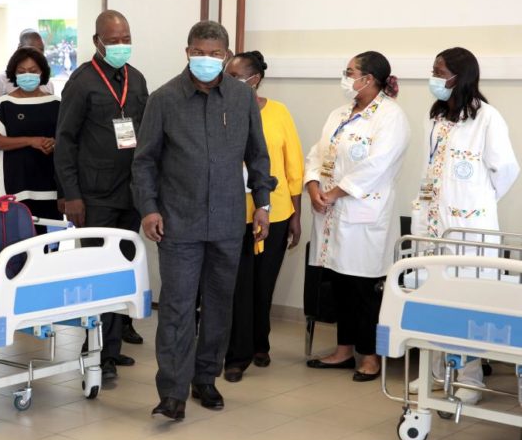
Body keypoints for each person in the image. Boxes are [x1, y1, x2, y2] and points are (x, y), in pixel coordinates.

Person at [132, 21, 276, 420]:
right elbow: (144, 162)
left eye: (215, 54)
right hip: (178, 222)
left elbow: (258, 155)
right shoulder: (163, 99)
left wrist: (262, 204)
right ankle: (172, 392)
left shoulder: (242, 98)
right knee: (177, 308)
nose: (206, 60)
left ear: (226, 55)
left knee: (218, 305)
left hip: (228, 221)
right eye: (199, 52)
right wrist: (149, 208)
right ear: (187, 52)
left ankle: (205, 378)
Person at [408, 47, 520, 405]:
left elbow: (506, 171)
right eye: (433, 70)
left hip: (470, 228)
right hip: (433, 223)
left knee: (468, 303)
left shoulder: (487, 118)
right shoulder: (435, 117)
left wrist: (476, 202)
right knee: (433, 297)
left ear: (460, 76)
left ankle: (469, 377)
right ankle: (436, 372)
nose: (434, 78)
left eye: (440, 72)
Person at [54, 10, 148, 380]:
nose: (122, 45)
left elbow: (144, 133)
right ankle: (95, 353)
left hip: (130, 192)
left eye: (126, 39)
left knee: (122, 270)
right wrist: (71, 195)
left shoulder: (136, 79)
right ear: (97, 42)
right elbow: (65, 141)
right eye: (114, 40)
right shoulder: (82, 82)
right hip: (93, 196)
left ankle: (111, 347)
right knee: (97, 273)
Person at [304, 51, 409, 382]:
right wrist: (312, 186)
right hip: (331, 213)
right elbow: (317, 153)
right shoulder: (339, 113)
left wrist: (334, 193)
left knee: (363, 288)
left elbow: (377, 166)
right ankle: (343, 350)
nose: (345, 77)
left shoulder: (390, 116)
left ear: (369, 79)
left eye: (350, 72)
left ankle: (370, 356)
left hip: (364, 215)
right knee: (339, 284)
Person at [223, 51, 304, 383]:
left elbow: (294, 167)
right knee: (239, 287)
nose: (226, 80)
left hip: (276, 211)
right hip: (233, 213)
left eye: (234, 76)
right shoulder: (221, 110)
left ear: (254, 79)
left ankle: (260, 343)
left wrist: (296, 215)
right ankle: (237, 356)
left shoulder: (279, 112)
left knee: (263, 285)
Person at [0, 47, 61, 225]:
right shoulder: (4, 105)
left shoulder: (56, 104)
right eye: (22, 71)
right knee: (16, 236)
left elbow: (68, 140)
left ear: (42, 72)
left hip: (49, 187)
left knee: (49, 239)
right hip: (14, 185)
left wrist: (54, 143)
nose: (28, 75)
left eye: (33, 71)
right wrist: (30, 141)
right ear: (14, 74)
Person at [0, 29, 55, 107]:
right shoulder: (0, 82)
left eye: (41, 50)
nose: (37, 55)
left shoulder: (48, 84)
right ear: (20, 48)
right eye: (32, 49)